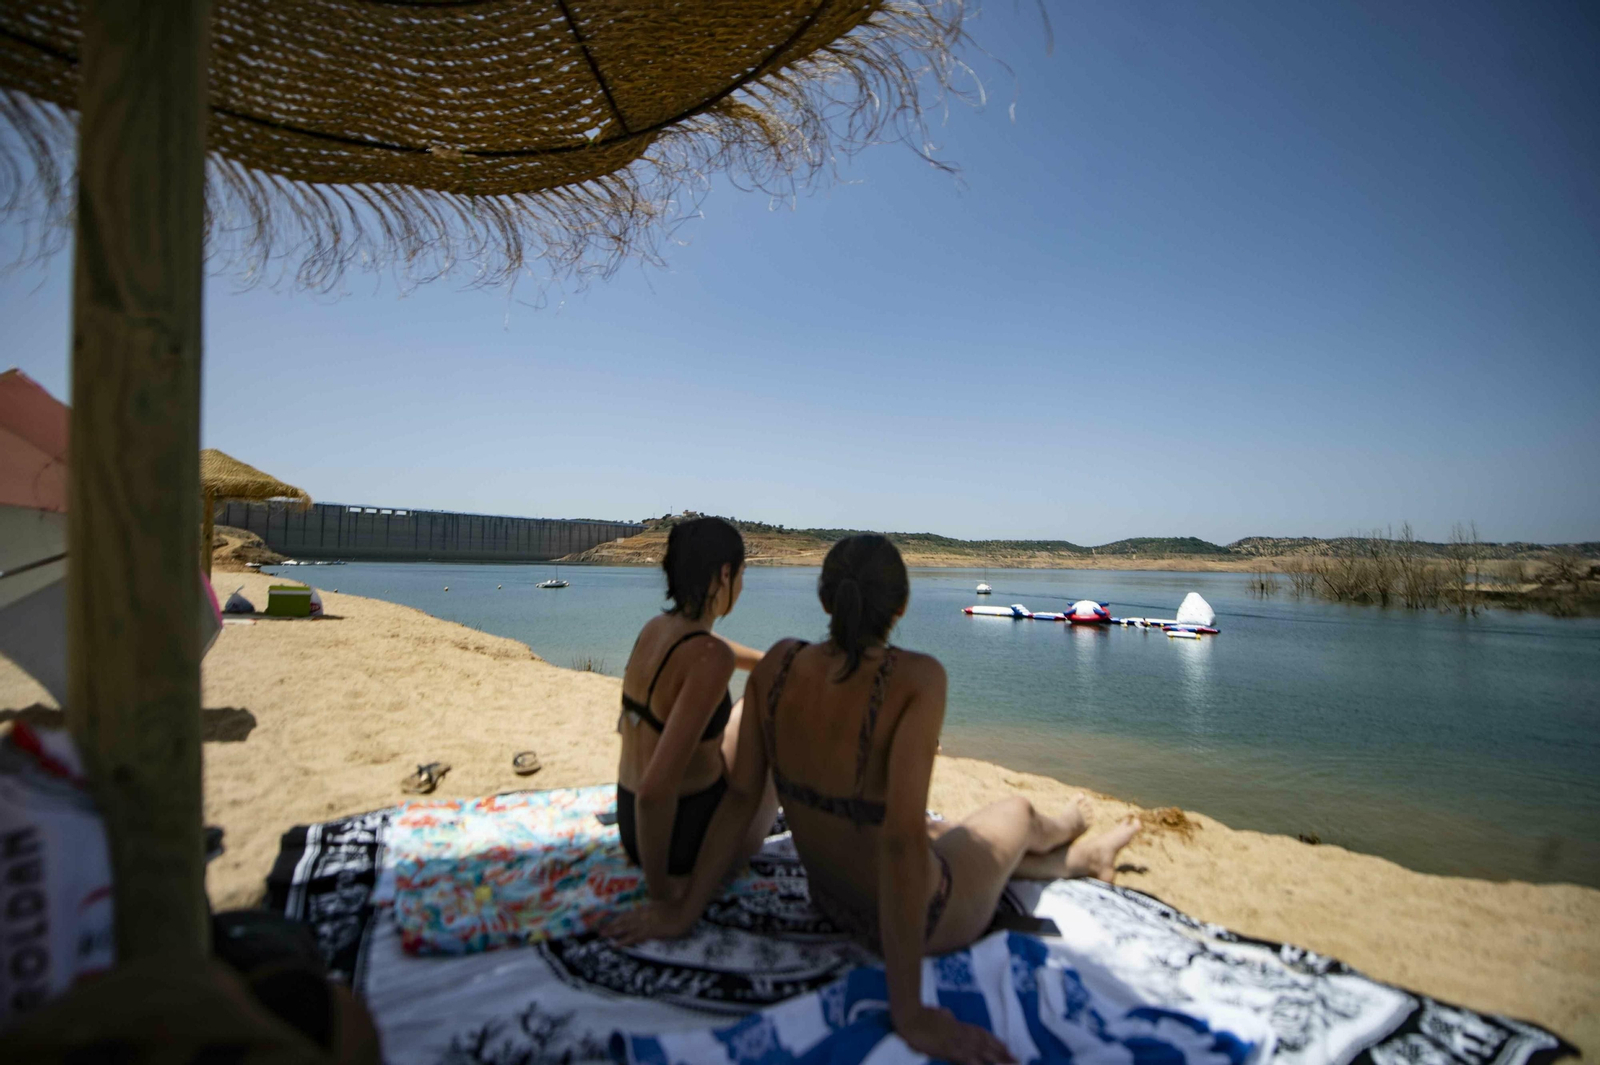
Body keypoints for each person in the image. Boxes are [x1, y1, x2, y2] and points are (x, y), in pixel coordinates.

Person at [609, 534, 1140, 1065]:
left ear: (825, 599)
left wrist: (682, 912)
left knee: (945, 834)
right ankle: (1068, 830)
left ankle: (1075, 861)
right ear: (901, 607)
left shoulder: (777, 666)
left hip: (830, 901)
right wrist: (908, 1011)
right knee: (1017, 814)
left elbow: (739, 801)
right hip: (921, 920)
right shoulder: (917, 679)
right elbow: (900, 842)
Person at [616, 516, 776, 905]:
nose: (740, 586)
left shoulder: (656, 628)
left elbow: (709, 646)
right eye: (741, 576)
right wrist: (665, 898)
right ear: (725, 575)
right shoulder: (710, 658)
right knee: (771, 713)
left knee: (745, 705)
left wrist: (767, 660)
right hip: (682, 841)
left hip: (630, 824)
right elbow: (655, 793)